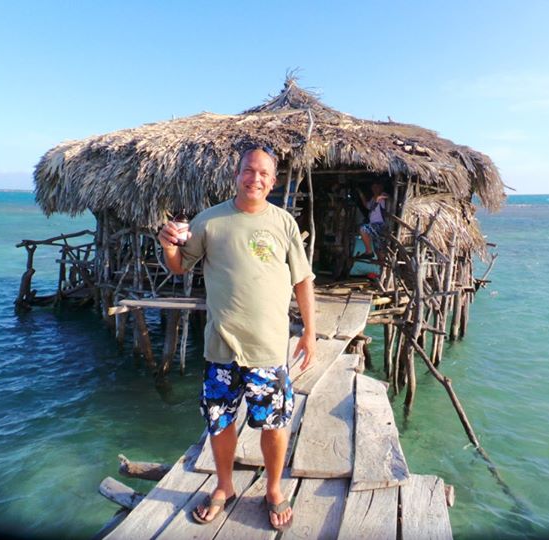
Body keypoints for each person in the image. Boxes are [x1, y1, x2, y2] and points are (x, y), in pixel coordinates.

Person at [157, 147, 316, 532]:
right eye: (248, 170)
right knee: (220, 422)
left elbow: (302, 280)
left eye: (263, 173)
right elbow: (179, 266)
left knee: (275, 424)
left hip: (268, 347)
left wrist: (310, 333)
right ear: (236, 173)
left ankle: (273, 489)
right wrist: (167, 245)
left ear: (272, 181)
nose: (254, 178)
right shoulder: (209, 220)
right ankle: (224, 486)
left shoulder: (283, 223)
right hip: (221, 346)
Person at [355, 180, 389, 260]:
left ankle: (369, 252)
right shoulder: (373, 199)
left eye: (376, 187)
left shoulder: (382, 196)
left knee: (363, 229)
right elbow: (367, 205)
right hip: (373, 226)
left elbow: (388, 197)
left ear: (380, 188)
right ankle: (376, 257)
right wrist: (360, 193)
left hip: (379, 225)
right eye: (373, 187)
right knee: (379, 251)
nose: (374, 189)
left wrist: (379, 198)